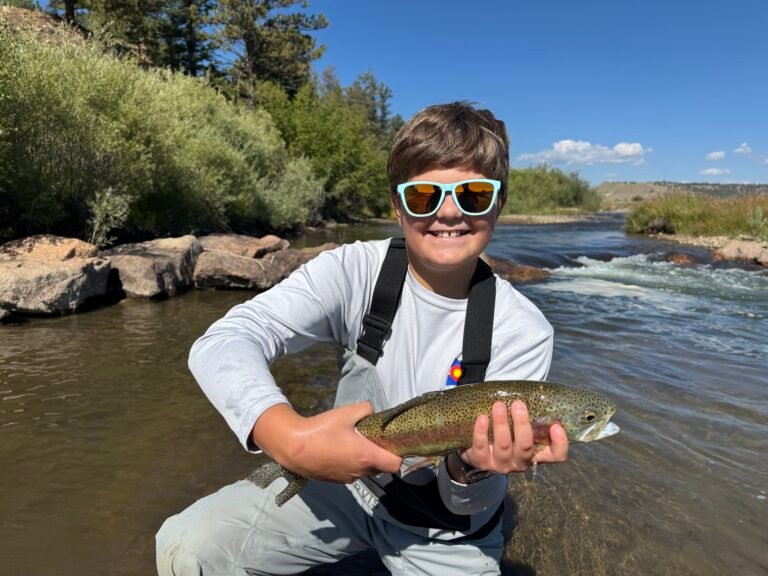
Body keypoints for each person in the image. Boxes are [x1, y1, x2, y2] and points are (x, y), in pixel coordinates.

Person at [156, 101, 569, 576]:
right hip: (342, 486)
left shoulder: (525, 331)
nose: (449, 212)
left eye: (474, 195)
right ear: (397, 206)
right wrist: (290, 439)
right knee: (187, 546)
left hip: (447, 527)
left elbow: (461, 500)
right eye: (424, 196)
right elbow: (226, 339)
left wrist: (472, 468)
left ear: (499, 202)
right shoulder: (353, 270)